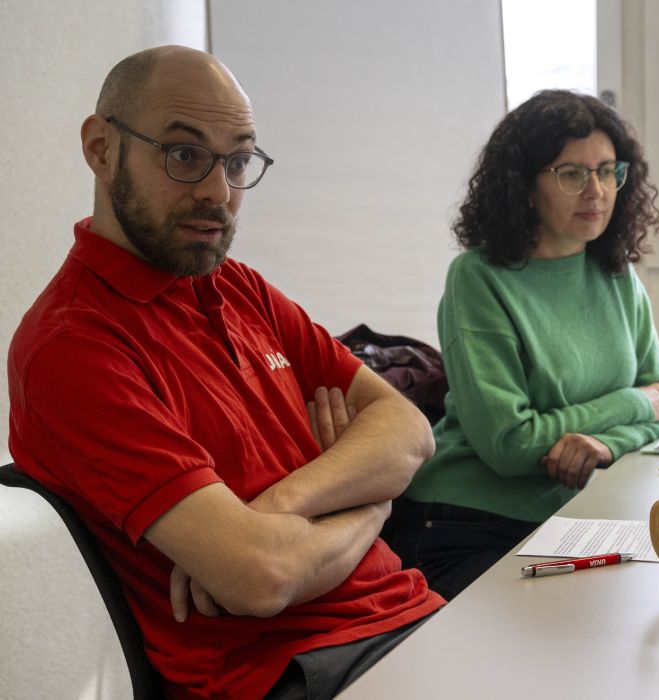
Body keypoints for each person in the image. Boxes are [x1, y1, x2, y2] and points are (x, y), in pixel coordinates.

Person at [7, 46, 444, 700]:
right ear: (101, 149)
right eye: (185, 155)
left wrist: (280, 506)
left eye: (238, 161)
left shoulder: (238, 287)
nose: (219, 192)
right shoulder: (73, 347)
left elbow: (408, 430)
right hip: (292, 672)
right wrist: (372, 498)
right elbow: (261, 576)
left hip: (411, 619)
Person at [383, 89, 659, 601]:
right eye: (572, 173)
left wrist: (605, 445)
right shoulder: (478, 278)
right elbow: (510, 444)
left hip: (575, 514)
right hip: (467, 523)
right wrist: (633, 403)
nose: (596, 191)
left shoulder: (614, 273)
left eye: (607, 171)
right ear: (523, 185)